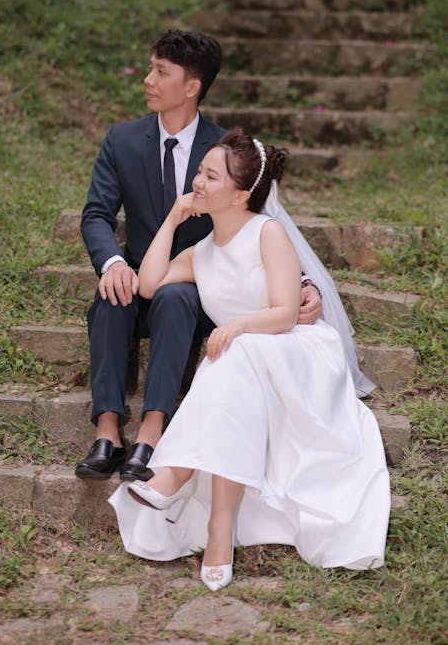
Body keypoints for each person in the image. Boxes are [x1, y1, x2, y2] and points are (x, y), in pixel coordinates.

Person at [109, 129, 390, 591]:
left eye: (211, 177)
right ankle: (218, 529)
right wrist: (175, 216)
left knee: (231, 354)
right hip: (243, 361)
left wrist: (236, 326)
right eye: (200, 172)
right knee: (231, 364)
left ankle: (174, 476)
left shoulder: (268, 232)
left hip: (298, 353)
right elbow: (148, 283)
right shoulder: (202, 252)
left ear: (241, 195)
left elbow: (284, 313)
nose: (198, 182)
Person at [75, 30, 323, 483]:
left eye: (160, 71)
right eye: (150, 68)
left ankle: (152, 431)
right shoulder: (123, 140)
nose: (148, 79)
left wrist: (303, 283)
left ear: (191, 86)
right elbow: (95, 214)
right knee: (113, 293)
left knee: (176, 299)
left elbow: (264, 222)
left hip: (194, 285)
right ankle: (107, 431)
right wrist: (111, 263)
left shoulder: (224, 150)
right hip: (141, 270)